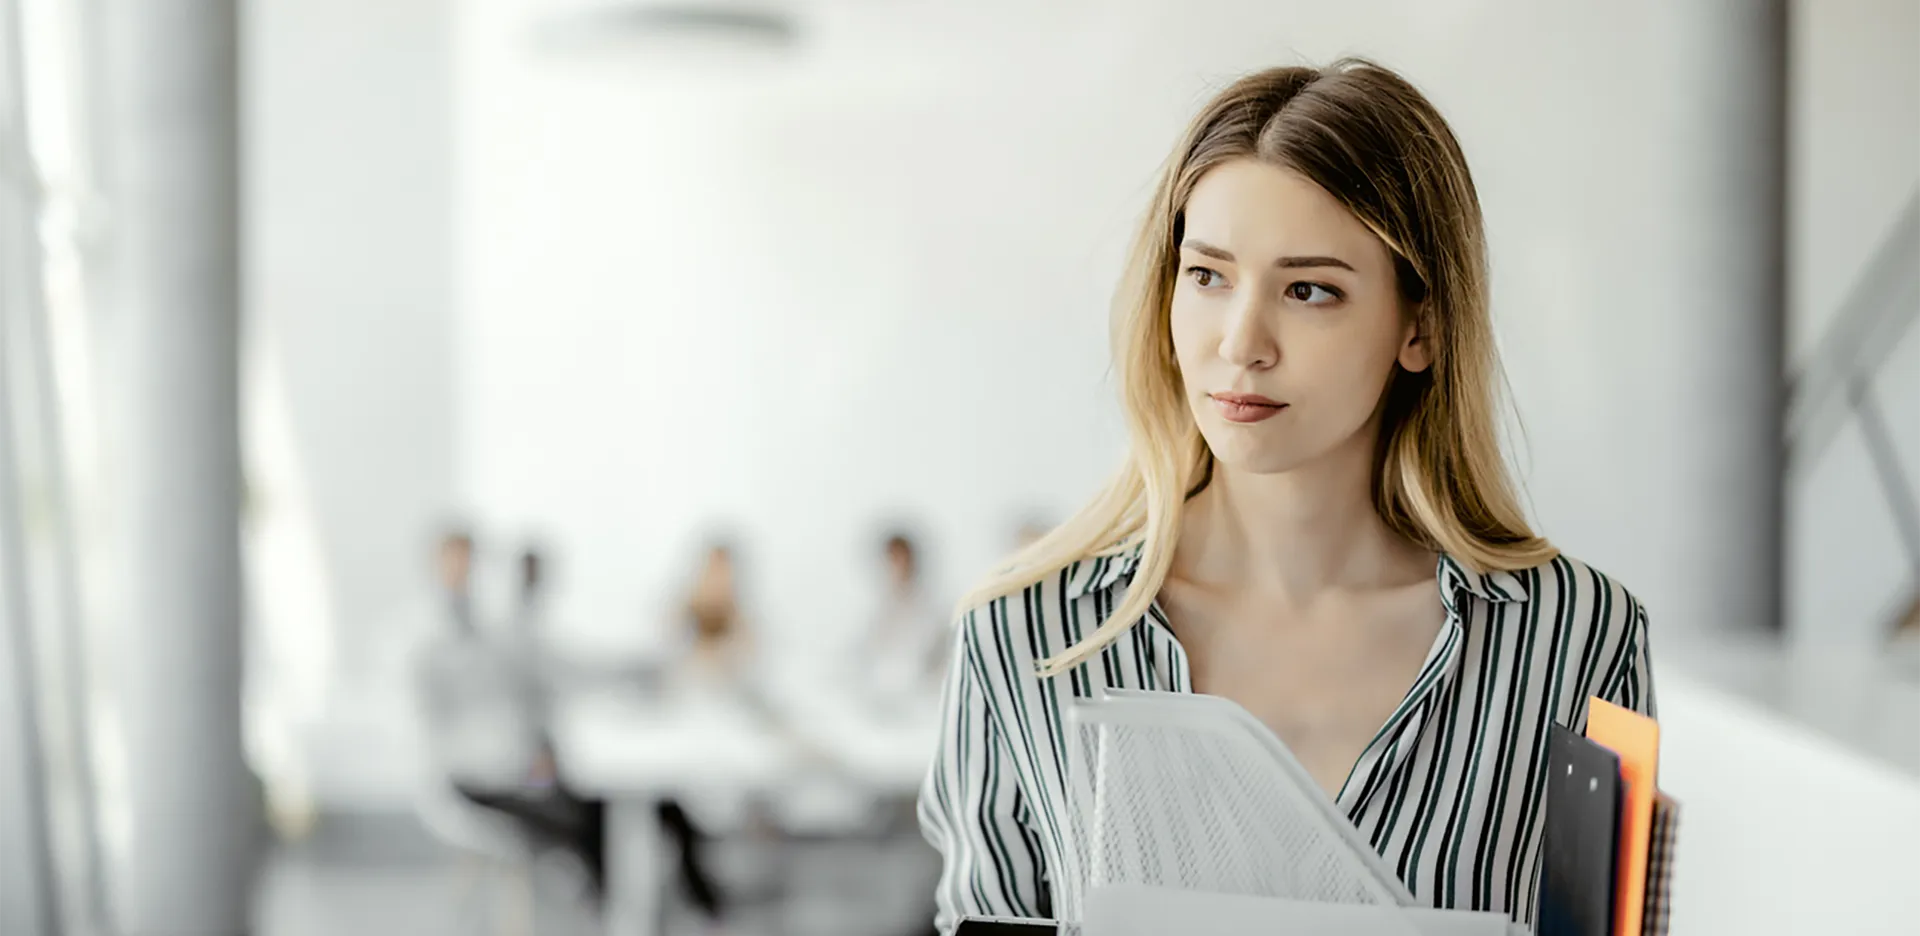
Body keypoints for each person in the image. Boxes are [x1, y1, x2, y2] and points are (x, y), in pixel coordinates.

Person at [917, 59, 1654, 932]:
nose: (1241, 342)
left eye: (1309, 290)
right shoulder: (1021, 637)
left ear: (1419, 326)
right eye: (1208, 275)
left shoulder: (1579, 637)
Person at [858, 529, 949, 706]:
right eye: (891, 560)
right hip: (880, 696)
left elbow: (922, 657)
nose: (896, 566)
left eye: (900, 559)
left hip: (920, 698)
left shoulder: (932, 606)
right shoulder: (879, 606)